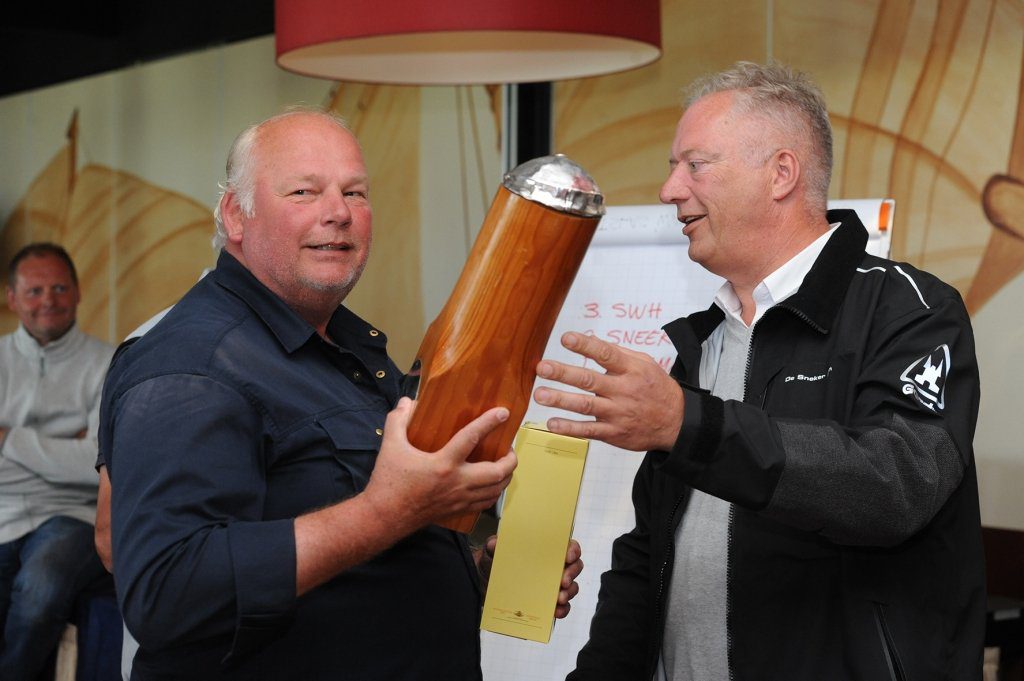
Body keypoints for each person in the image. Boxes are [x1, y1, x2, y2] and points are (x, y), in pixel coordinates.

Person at [534, 62, 985, 680]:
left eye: (695, 165)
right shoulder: (704, 340)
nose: (669, 190)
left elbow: (896, 485)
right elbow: (648, 557)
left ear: (781, 174)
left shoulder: (909, 308)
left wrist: (687, 424)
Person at [99, 107, 582, 680]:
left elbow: (359, 572)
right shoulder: (191, 365)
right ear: (235, 214)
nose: (338, 214)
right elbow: (167, 594)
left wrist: (478, 573)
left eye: (355, 193)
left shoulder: (349, 347)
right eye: (304, 191)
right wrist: (386, 512)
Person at [0, 242, 114, 680]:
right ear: (12, 299)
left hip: (73, 514)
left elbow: (95, 465)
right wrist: (62, 446)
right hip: (4, 509)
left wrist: (8, 438)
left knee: (40, 593)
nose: (49, 300)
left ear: (78, 293)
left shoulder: (109, 364)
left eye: (60, 288)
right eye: (34, 291)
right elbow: (83, 455)